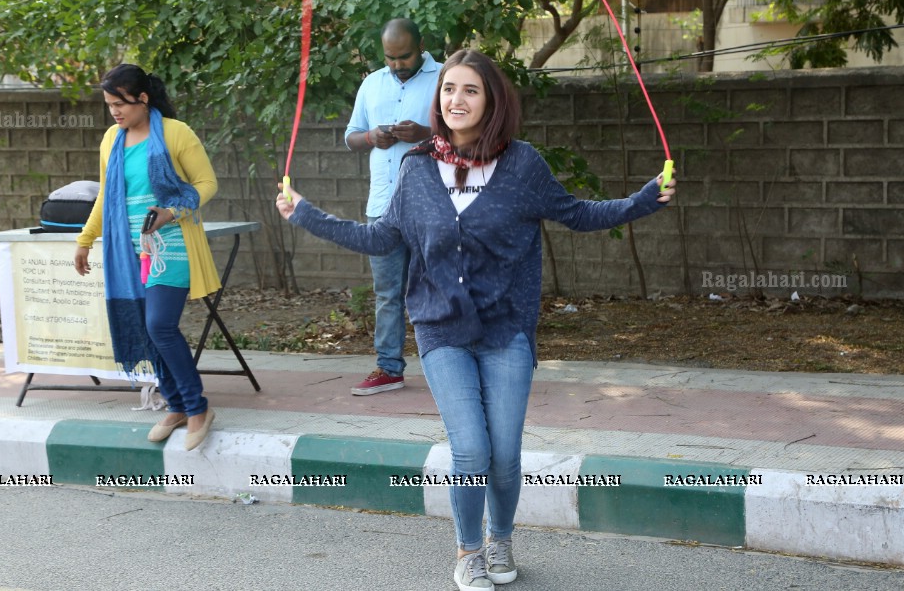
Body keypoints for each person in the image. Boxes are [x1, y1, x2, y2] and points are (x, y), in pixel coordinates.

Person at [277, 49, 676, 590]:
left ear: (491, 101)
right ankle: (468, 553)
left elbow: (578, 213)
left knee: (505, 456)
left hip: (505, 328)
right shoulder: (416, 166)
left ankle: (499, 538)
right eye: (448, 89)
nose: (455, 100)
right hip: (441, 329)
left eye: (469, 90)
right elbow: (379, 238)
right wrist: (305, 213)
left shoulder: (522, 164)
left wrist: (644, 200)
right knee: (471, 449)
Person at [74, 64, 221, 451]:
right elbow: (107, 195)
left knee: (159, 325)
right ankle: (176, 406)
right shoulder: (112, 140)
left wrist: (172, 211)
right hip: (131, 250)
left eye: (120, 104)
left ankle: (198, 407)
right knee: (146, 326)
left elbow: (207, 183)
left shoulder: (176, 133)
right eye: (109, 105)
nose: (115, 113)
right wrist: (85, 239)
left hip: (173, 246)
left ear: (143, 99)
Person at [343, 18, 442, 395]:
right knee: (386, 292)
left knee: (438, 287)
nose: (398, 64)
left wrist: (426, 134)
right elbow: (350, 136)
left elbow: (469, 133)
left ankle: (449, 362)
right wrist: (371, 137)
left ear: (421, 45)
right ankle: (389, 369)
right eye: (390, 58)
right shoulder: (371, 83)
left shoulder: (443, 78)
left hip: (432, 205)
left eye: (405, 56)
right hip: (383, 206)